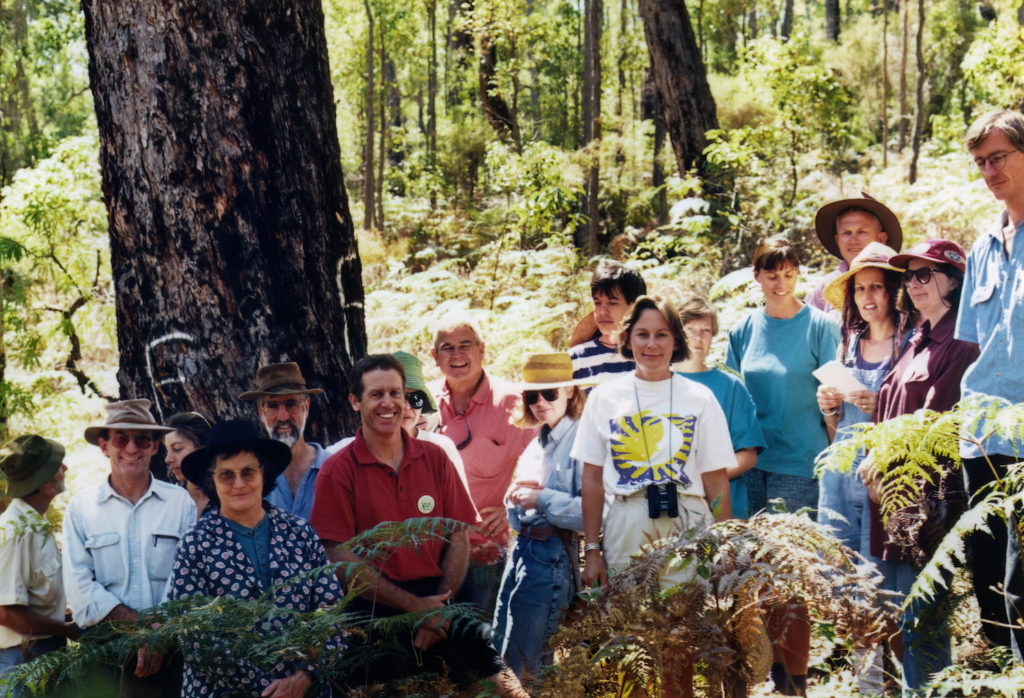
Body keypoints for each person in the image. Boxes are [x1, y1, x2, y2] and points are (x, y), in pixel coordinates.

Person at [311, 354, 528, 697]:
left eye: (396, 394)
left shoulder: (435, 457)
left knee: (504, 690)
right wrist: (413, 609)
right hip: (372, 610)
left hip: (442, 597)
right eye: (376, 394)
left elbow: (457, 534)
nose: (389, 403)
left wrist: (438, 610)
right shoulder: (337, 470)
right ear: (355, 401)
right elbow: (339, 556)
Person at [576, 296, 734, 698]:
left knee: (680, 638)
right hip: (627, 519)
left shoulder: (700, 398)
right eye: (642, 334)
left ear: (675, 340)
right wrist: (592, 549)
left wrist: (724, 549)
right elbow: (591, 480)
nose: (651, 344)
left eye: (662, 335)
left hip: (687, 521)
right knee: (630, 639)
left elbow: (716, 481)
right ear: (627, 339)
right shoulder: (604, 397)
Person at [861, 239, 979, 692]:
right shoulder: (917, 339)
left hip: (925, 506)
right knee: (898, 612)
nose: (913, 284)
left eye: (924, 274)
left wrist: (883, 456)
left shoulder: (961, 343)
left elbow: (933, 426)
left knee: (923, 617)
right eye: (908, 277)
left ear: (953, 281)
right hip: (888, 501)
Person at [725, 237, 839, 696]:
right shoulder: (742, 329)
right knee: (758, 575)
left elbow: (834, 393)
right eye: (770, 273)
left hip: (800, 460)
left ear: (798, 275)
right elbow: (731, 396)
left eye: (788, 272)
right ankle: (772, 673)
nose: (779, 281)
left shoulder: (819, 326)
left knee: (791, 575)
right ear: (757, 277)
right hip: (751, 462)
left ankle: (797, 678)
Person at [171, 419, 341, 698]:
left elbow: (331, 611)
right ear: (211, 480)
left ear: (265, 474)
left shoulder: (299, 532)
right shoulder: (195, 543)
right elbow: (196, 636)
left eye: (248, 472)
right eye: (226, 474)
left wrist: (305, 676)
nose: (239, 483)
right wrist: (267, 690)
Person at [62, 399, 195, 697]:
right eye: (121, 438)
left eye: (142, 438)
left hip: (169, 655)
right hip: (103, 655)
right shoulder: (81, 508)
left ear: (154, 446)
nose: (132, 448)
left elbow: (187, 580)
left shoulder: (180, 504)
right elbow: (79, 586)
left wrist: (160, 637)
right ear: (104, 446)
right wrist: (143, 630)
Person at [959, 109, 1024, 655]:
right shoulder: (981, 247)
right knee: (989, 579)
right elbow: (976, 346)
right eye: (981, 162)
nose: (989, 171)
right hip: (981, 435)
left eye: (998, 157)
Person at [493, 353, 592, 683]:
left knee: (526, 663)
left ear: (569, 391)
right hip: (521, 552)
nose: (540, 402)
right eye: (531, 395)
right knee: (503, 654)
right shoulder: (537, 443)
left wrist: (542, 499)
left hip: (552, 557)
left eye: (549, 393)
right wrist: (515, 498)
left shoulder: (584, 441)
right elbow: (516, 509)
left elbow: (594, 514)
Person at [428, 312, 536, 614]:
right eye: (447, 348)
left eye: (466, 345)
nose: (457, 354)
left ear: (482, 350)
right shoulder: (422, 402)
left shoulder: (513, 402)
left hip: (483, 552)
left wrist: (510, 508)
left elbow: (545, 464)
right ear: (434, 356)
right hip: (428, 552)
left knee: (479, 647)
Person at [816, 242, 913, 558]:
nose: (867, 297)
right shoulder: (847, 346)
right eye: (859, 289)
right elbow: (834, 427)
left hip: (884, 474)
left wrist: (883, 406)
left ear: (893, 292)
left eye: (876, 287)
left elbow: (922, 417)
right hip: (839, 474)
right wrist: (829, 406)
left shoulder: (912, 345)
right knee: (836, 564)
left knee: (878, 571)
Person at [329, 350, 472, 496]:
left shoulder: (442, 449)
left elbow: (463, 515)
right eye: (397, 396)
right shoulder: (337, 457)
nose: (406, 406)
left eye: (416, 398)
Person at [676, 295, 765, 519]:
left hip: (725, 504)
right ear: (676, 334)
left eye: (705, 330)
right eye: (690, 330)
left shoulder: (731, 386)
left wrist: (705, 480)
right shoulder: (660, 383)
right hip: (671, 506)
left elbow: (748, 454)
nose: (698, 338)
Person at [0, 436, 79, 675]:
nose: (65, 469)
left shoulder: (35, 524)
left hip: (43, 652)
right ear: (45, 481)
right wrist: (68, 629)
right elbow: (6, 613)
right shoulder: (15, 532)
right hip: (23, 659)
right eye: (58, 466)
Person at [239, 362, 329, 522]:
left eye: (290, 404)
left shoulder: (335, 468)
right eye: (273, 405)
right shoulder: (249, 475)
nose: (283, 417)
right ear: (261, 411)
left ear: (306, 406)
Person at [808, 194, 903, 317]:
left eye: (862, 232)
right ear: (837, 239)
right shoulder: (824, 290)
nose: (853, 241)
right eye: (846, 233)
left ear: (881, 238)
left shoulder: (903, 282)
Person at [568, 259, 648, 384]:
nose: (602, 311)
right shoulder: (575, 358)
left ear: (634, 307)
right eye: (597, 303)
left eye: (612, 303)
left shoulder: (651, 355)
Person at [163, 411, 212, 516]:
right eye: (167, 450)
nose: (168, 459)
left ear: (203, 448)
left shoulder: (229, 497)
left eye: (177, 448)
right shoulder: (170, 502)